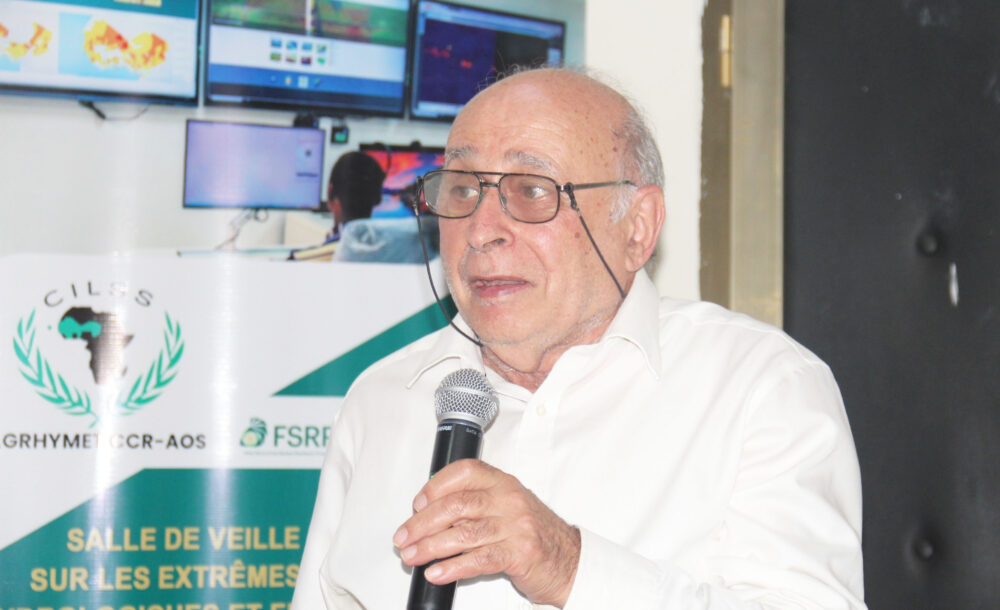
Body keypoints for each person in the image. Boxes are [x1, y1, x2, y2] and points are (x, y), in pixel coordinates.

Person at [292, 68, 866, 609]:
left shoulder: (760, 388)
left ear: (637, 227)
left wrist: (568, 565)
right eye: (462, 190)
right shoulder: (381, 399)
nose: (482, 231)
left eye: (532, 190)